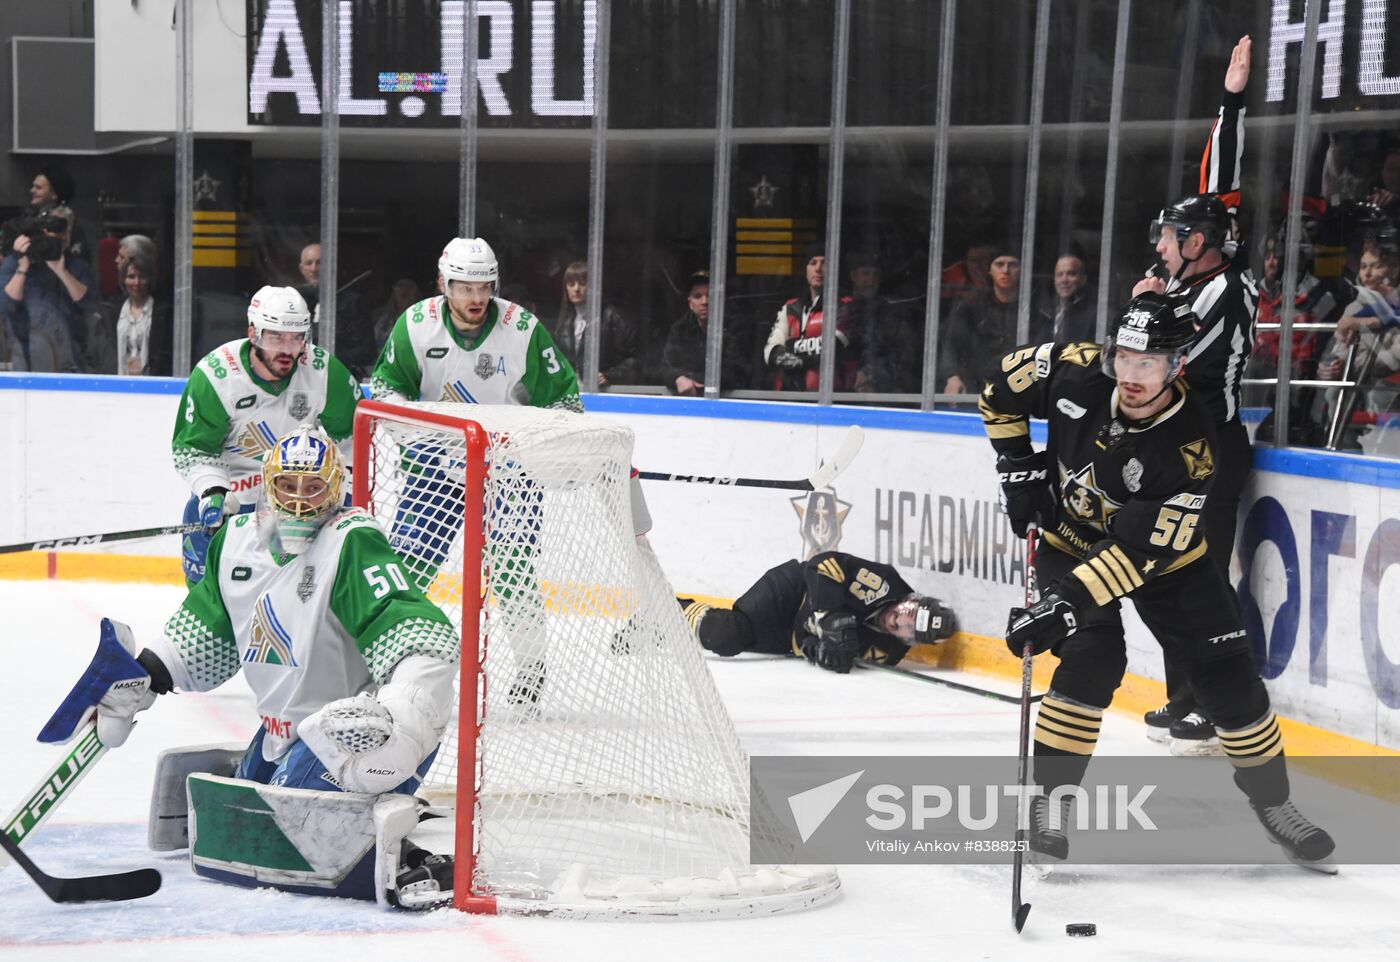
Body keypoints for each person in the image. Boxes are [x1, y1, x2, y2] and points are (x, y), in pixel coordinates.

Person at [984, 293, 1335, 872]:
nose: (1130, 375)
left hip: (1169, 564)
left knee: (1231, 682)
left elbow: (1141, 552)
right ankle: (1048, 803)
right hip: (1069, 541)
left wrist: (1064, 602)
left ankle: (1276, 806)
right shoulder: (1076, 368)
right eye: (1124, 358)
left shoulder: (1193, 446)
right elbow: (998, 389)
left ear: (1177, 365)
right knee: (1092, 656)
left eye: (1147, 364)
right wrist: (1018, 469)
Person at [47, 425, 461, 906]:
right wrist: (143, 677)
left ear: (337, 489)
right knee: (249, 823)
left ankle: (409, 856)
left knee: (290, 839)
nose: (301, 501)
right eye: (289, 486)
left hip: (357, 733)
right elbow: (203, 633)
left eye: (314, 488)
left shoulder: (352, 541)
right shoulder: (235, 542)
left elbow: (415, 629)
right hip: (279, 733)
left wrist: (406, 720)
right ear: (268, 485)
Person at [1130, 35, 1258, 753]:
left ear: (1202, 242)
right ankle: (1186, 700)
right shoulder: (1187, 282)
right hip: (1182, 449)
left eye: (1176, 234)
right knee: (1175, 577)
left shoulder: (1224, 290)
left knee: (1204, 579)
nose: (1164, 242)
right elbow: (1219, 179)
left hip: (1215, 448)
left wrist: (1141, 315)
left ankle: (1219, 705)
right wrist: (1229, 100)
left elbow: (1163, 365)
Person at [172, 285, 361, 586]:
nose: (287, 349)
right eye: (275, 337)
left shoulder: (324, 372)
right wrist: (212, 492)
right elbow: (194, 450)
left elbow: (354, 439)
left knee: (297, 593)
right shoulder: (216, 377)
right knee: (206, 593)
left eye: (296, 337)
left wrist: (341, 493)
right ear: (253, 333)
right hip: (231, 495)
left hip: (294, 503)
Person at [370, 236, 581, 411]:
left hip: (507, 453)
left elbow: (563, 399)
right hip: (436, 451)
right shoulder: (414, 326)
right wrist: (410, 430)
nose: (478, 299)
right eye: (466, 289)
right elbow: (386, 387)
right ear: (443, 284)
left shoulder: (523, 328)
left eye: (484, 287)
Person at [680, 551, 957, 672]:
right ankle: (676, 610)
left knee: (727, 640)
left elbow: (815, 648)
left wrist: (825, 654)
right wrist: (832, 615)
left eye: (909, 631)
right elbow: (822, 564)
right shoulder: (883, 581)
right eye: (908, 613)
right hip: (793, 591)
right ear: (912, 599)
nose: (898, 622)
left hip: (790, 638)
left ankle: (667, 629)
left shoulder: (888, 652)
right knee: (729, 632)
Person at [0, 204, 97, 372]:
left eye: (65, 231)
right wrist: (22, 267)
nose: (60, 236)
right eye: (53, 231)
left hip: (69, 360)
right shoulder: (15, 262)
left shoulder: (77, 266)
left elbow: (90, 306)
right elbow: (5, 306)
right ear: (41, 231)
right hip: (24, 357)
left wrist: (62, 272)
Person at [764, 247, 856, 391]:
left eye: (824, 263)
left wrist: (792, 347)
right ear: (806, 270)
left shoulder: (845, 305)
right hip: (789, 397)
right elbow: (770, 351)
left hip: (830, 396)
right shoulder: (790, 307)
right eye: (813, 263)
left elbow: (832, 349)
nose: (818, 269)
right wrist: (804, 359)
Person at [940, 244, 1027, 395]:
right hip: (977, 389)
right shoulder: (970, 306)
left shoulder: (1035, 308)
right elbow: (952, 344)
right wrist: (952, 377)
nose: (1005, 270)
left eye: (1012, 265)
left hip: (1021, 389)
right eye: (999, 265)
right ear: (990, 270)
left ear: (1021, 270)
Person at [550, 260, 641, 389]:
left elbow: (636, 360)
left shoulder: (612, 318)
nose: (576, 289)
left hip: (605, 393)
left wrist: (610, 376)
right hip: (571, 393)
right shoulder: (563, 324)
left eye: (582, 283)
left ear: (593, 286)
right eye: (571, 284)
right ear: (566, 288)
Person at [849, 251, 922, 394]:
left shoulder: (892, 312)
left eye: (875, 274)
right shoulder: (838, 308)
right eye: (865, 274)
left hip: (881, 392)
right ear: (853, 276)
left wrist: (870, 375)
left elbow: (904, 354)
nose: (871, 281)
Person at [1037, 253, 1097, 343]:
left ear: (1083, 279)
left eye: (1071, 274)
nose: (1064, 280)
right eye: (1059, 274)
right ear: (1054, 280)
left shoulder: (1094, 314)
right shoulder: (1046, 313)